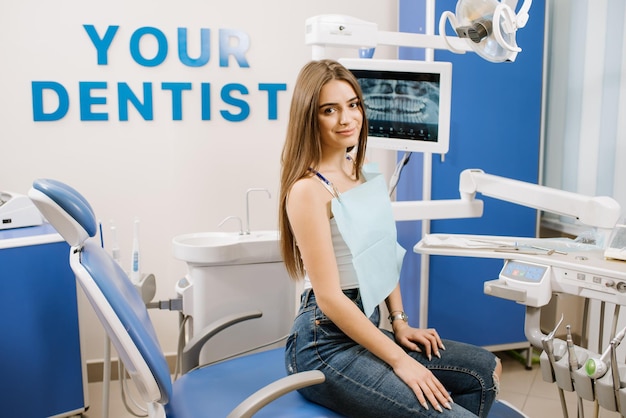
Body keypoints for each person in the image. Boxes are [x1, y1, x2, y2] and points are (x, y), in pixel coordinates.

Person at [278, 59, 502, 418]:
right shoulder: (308, 190)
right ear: (309, 118)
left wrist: (399, 322)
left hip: (368, 325)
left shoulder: (363, 174)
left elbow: (381, 254)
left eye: (352, 105)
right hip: (325, 342)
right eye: (329, 110)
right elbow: (331, 299)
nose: (346, 119)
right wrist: (401, 361)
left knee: (485, 371)